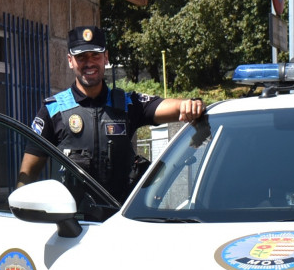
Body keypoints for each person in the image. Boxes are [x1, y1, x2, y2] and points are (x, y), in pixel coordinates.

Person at [17, 26, 205, 202]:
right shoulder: (53, 110)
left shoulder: (127, 104)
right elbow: (27, 175)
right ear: (70, 61)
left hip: (121, 222)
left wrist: (190, 105)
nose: (89, 63)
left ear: (106, 58)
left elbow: (169, 107)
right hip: (71, 226)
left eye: (95, 56)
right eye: (81, 57)